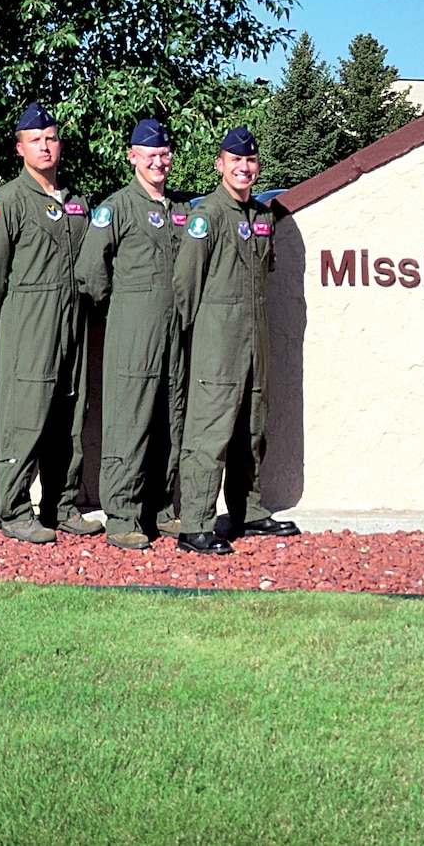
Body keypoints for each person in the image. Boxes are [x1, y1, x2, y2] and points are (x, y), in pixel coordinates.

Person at [0, 101, 95, 544]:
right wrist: (6, 312)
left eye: (51, 138)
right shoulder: (7, 202)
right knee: (25, 416)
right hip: (29, 318)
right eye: (35, 140)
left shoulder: (77, 203)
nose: (45, 146)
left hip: (72, 321)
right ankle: (16, 510)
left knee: (69, 414)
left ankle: (61, 504)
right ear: (19, 148)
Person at [173, 126, 298, 555]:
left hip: (254, 335)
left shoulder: (262, 217)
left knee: (252, 427)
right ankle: (195, 525)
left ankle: (249, 511)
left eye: (250, 160)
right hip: (218, 337)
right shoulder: (207, 216)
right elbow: (185, 285)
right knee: (210, 431)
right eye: (235, 160)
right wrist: (194, 339)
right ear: (220, 165)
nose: (243, 167)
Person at [76, 119, 192, 551]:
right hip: (133, 326)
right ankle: (123, 515)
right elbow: (91, 269)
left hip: (174, 330)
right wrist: (119, 308)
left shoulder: (182, 208)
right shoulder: (117, 207)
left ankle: (160, 509)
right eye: (150, 155)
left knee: (170, 417)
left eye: (164, 154)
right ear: (133, 157)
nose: (159, 162)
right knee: (130, 421)